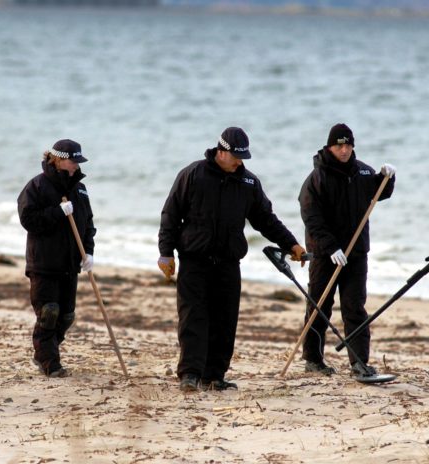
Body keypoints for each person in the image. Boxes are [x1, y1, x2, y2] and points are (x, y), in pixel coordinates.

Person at [158, 126, 307, 392]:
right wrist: (165, 253)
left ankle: (214, 376)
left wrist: (291, 244)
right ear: (221, 151)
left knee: (225, 320)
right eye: (236, 156)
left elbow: (266, 220)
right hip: (194, 259)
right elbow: (170, 213)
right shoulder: (193, 174)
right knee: (193, 318)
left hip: (228, 262)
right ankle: (190, 374)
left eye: (243, 156)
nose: (240, 161)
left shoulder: (248, 182)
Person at [298, 123, 396, 377]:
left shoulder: (363, 172)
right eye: (339, 145)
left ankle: (359, 363)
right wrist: (329, 247)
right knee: (320, 305)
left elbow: (379, 193)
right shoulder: (317, 178)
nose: (344, 150)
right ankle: (313, 359)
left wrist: (387, 178)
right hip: (325, 253)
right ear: (330, 146)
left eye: (348, 145)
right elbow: (311, 216)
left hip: (356, 252)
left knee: (355, 307)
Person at [18, 139, 96, 378]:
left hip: (70, 264)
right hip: (44, 264)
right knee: (48, 312)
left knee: (66, 316)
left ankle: (42, 351)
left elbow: (88, 224)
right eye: (74, 161)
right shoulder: (37, 186)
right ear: (59, 160)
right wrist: (57, 213)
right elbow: (28, 219)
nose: (76, 166)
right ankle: (49, 362)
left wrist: (89, 251)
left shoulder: (80, 189)